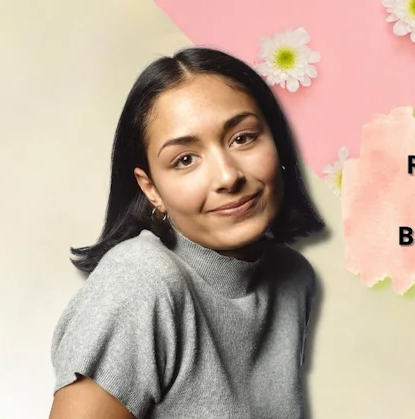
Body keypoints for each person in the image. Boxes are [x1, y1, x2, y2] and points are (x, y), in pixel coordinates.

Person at [48, 47, 325, 419]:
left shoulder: (294, 278)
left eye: (242, 138)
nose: (228, 176)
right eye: (185, 160)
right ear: (151, 189)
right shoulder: (140, 283)